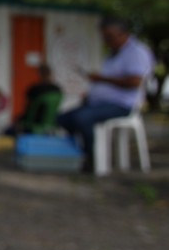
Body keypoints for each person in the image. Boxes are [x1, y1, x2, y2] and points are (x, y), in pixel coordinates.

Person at [57, 17, 155, 163]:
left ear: (123, 34)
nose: (106, 41)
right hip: (100, 103)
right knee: (63, 118)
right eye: (104, 37)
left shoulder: (136, 52)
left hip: (122, 105)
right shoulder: (113, 54)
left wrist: (100, 79)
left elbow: (134, 82)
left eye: (109, 37)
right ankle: (76, 154)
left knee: (82, 118)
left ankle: (91, 158)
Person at [5, 64, 63, 136]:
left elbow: (29, 109)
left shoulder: (34, 89)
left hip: (33, 123)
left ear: (39, 74)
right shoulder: (58, 90)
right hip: (51, 122)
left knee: (8, 130)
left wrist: (19, 120)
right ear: (51, 74)